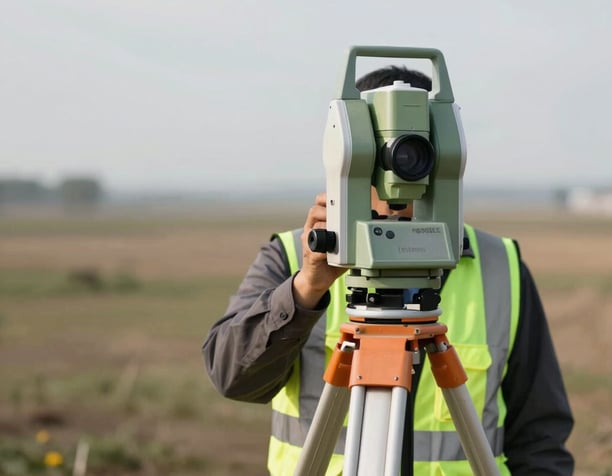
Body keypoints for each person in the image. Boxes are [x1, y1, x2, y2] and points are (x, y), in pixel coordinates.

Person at [202, 66, 574, 475]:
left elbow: (540, 437)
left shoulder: (500, 267)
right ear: (351, 152)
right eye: (385, 151)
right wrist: (305, 288)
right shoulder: (292, 257)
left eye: (417, 149)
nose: (402, 170)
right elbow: (232, 377)